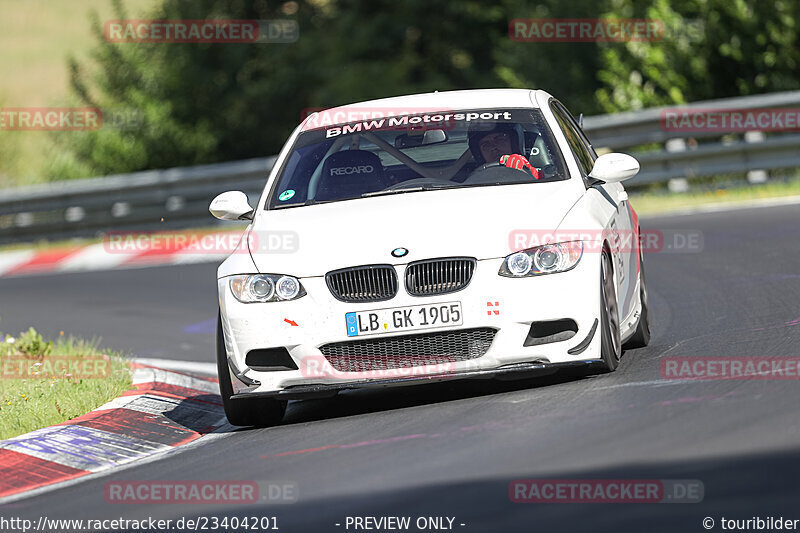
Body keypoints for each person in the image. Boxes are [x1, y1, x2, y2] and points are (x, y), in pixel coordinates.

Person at [467, 123, 539, 179]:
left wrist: (530, 173)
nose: (493, 147)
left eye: (500, 139)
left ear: (514, 143)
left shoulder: (540, 175)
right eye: (486, 145)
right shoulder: (472, 181)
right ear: (479, 154)